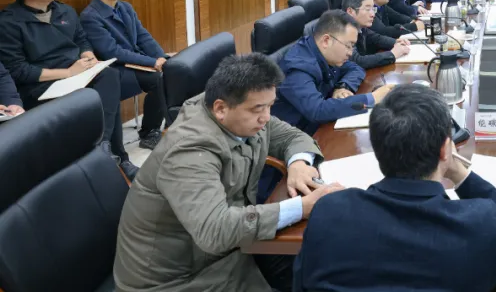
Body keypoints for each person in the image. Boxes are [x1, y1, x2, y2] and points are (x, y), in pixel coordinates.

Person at [113, 54, 342, 292]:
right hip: (178, 279)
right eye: (258, 109)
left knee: (325, 262)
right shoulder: (189, 151)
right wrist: (302, 208)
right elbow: (214, 230)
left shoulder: (238, 112)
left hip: (227, 251)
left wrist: (299, 163)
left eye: (270, 106)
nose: (266, 117)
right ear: (220, 108)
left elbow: (291, 137)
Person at [293, 84, 496, 292]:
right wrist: (457, 171)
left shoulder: (328, 212)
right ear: (445, 150)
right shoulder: (478, 224)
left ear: (377, 147)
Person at [0, 0, 137, 178]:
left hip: (78, 73)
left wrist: (87, 55)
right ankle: (112, 156)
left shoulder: (65, 10)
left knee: (109, 76)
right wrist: (68, 74)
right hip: (42, 84)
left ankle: (108, 150)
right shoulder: (8, 23)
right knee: (96, 98)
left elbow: (81, 40)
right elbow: (18, 70)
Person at [81, 0, 170, 149]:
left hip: (134, 61)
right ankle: (149, 133)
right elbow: (112, 52)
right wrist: (152, 62)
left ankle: (166, 123)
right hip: (115, 69)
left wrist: (161, 57)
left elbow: (143, 36)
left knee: (170, 72)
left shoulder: (125, 7)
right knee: (158, 80)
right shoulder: (90, 17)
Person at [273, 9, 387, 136]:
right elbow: (317, 110)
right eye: (348, 45)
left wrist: (342, 87)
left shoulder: (325, 53)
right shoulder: (296, 68)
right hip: (299, 136)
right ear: (326, 40)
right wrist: (371, 99)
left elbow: (356, 68)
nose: (350, 53)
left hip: (322, 127)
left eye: (352, 46)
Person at [335, 0, 411, 70]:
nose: (373, 15)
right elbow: (358, 61)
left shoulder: (360, 27)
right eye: (368, 9)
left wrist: (396, 42)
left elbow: (377, 39)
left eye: (373, 9)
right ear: (350, 11)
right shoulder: (340, 31)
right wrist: (392, 54)